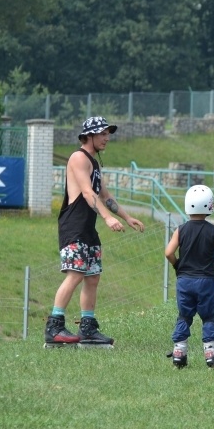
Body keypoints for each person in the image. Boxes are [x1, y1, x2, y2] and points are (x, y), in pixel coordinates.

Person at [44, 116, 145, 348]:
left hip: (88, 228)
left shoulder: (94, 163)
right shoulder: (78, 158)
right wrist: (108, 218)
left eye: (108, 133)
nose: (106, 138)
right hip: (74, 226)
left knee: (92, 277)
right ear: (89, 136)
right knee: (75, 274)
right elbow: (88, 193)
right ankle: (54, 327)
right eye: (102, 133)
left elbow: (105, 196)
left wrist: (127, 217)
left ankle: (87, 329)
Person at [165, 185, 214, 368]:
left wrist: (177, 265)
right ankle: (211, 353)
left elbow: (168, 252)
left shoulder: (180, 230)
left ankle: (179, 352)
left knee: (184, 316)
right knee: (208, 316)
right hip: (206, 281)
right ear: (210, 205)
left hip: (184, 281)